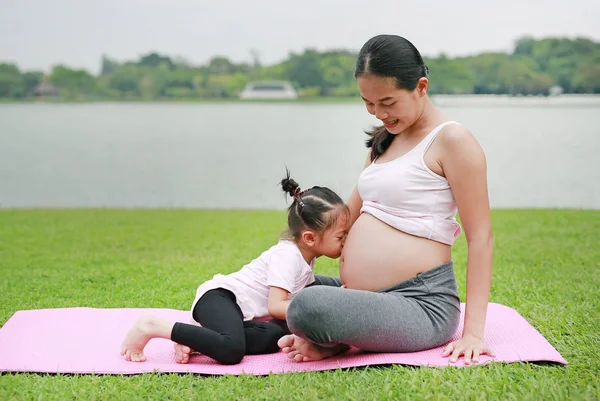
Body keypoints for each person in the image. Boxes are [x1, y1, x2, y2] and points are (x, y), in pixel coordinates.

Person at [278, 34, 495, 365]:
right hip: (367, 296)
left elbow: (481, 238)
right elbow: (347, 214)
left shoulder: (453, 141)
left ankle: (330, 337)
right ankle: (331, 336)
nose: (378, 113)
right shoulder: (385, 140)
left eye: (388, 102)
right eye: (368, 103)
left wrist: (473, 334)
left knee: (306, 306)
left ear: (420, 87)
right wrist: (288, 256)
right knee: (287, 286)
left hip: (420, 303)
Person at [120, 171, 349, 365]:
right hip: (220, 297)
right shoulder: (287, 256)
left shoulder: (305, 257)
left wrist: (339, 296)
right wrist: (316, 312)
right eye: (342, 236)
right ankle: (152, 326)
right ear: (310, 238)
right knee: (232, 351)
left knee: (274, 337)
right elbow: (277, 305)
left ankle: (198, 339)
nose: (347, 241)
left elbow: (309, 290)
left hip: (241, 314)